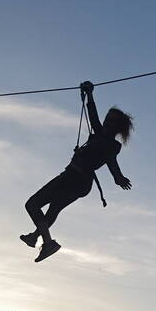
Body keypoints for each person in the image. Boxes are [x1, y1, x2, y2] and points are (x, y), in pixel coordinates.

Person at [21, 81, 133, 262]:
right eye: (107, 118)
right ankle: (36, 238)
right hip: (78, 181)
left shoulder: (111, 144)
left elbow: (112, 161)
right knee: (53, 209)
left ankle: (47, 242)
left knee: (32, 205)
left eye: (111, 121)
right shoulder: (100, 134)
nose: (106, 122)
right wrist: (89, 95)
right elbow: (93, 115)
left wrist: (118, 177)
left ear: (117, 127)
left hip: (75, 179)